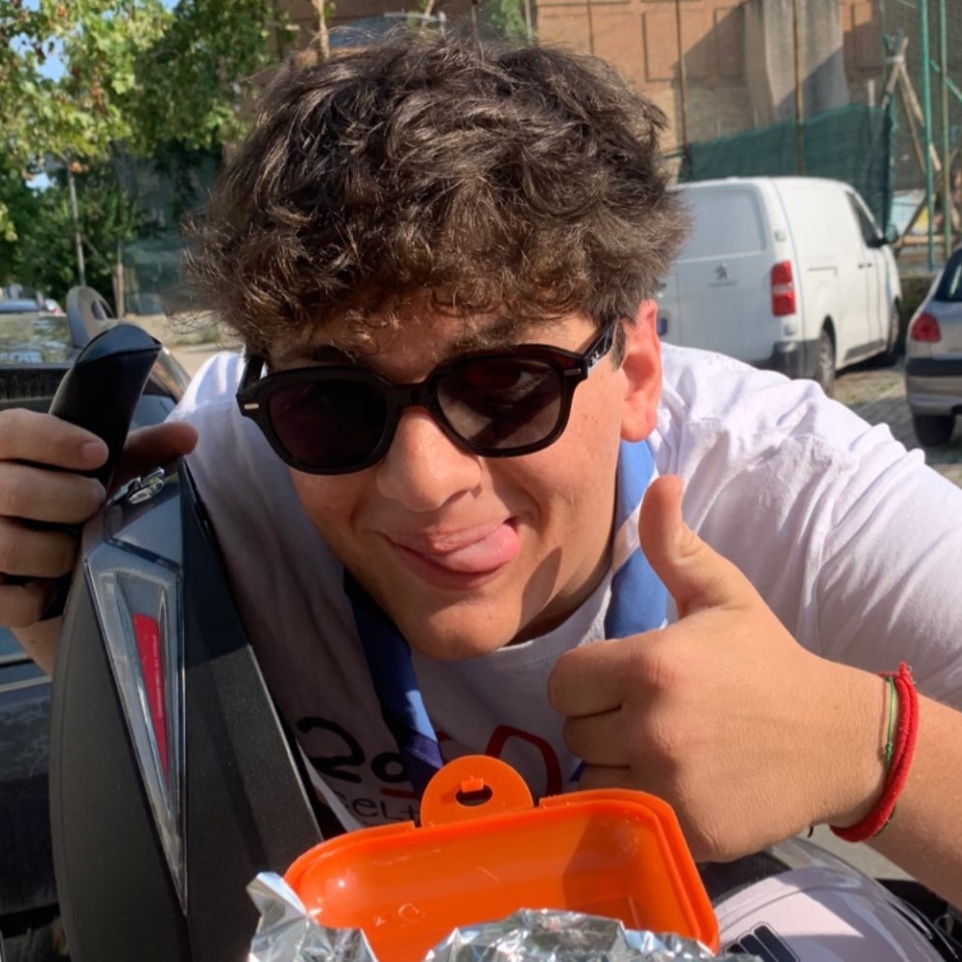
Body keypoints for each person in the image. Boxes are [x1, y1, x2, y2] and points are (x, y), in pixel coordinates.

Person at [3, 28, 962, 909]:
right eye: (333, 399)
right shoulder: (213, 499)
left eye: (505, 384)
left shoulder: (800, 496)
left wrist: (868, 748)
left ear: (635, 369)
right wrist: (76, 628)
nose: (424, 480)